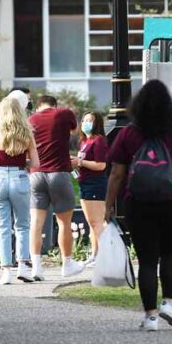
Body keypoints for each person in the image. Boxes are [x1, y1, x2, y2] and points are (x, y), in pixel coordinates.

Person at [105, 80, 172, 331]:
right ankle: (169, 302)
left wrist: (108, 204)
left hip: (138, 204)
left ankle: (151, 316)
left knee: (146, 260)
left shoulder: (128, 134)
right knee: (169, 253)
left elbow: (116, 175)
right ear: (169, 106)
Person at [0, 96, 40, 285]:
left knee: (2, 226)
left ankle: (6, 271)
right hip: (20, 177)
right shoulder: (27, 133)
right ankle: (22, 266)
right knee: (22, 224)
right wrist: (22, 163)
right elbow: (36, 163)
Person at [28, 95, 84, 280]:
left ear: (38, 107)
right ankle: (67, 264)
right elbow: (75, 130)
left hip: (35, 175)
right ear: (55, 105)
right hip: (59, 173)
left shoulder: (31, 120)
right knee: (63, 222)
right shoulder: (63, 114)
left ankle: (36, 267)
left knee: (36, 223)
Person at [73, 111, 108, 265]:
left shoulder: (99, 141)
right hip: (84, 184)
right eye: (84, 120)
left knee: (97, 222)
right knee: (91, 223)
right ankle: (94, 255)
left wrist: (81, 163)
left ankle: (105, 256)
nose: (86, 123)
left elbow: (101, 165)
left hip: (95, 184)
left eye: (90, 120)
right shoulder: (83, 142)